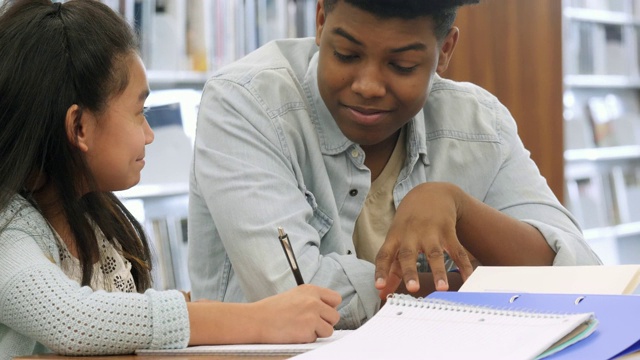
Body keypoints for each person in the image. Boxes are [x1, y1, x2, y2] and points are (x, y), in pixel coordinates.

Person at [188, 0, 602, 330]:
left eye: (401, 65)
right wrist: (487, 286)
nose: (367, 85)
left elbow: (583, 278)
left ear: (445, 52)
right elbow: (300, 297)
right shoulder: (245, 104)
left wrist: (457, 206)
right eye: (346, 54)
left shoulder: (479, 124)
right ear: (319, 21)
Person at [0, 1, 341, 358]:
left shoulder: (93, 217)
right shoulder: (10, 232)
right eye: (139, 112)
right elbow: (73, 320)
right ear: (79, 127)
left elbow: (117, 314)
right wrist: (257, 320)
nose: (149, 134)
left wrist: (207, 308)